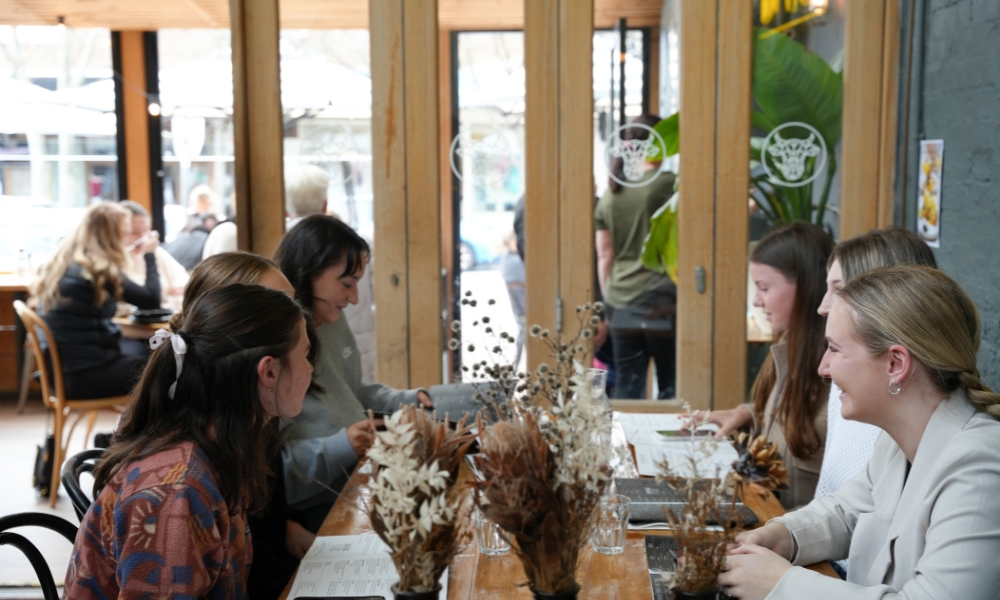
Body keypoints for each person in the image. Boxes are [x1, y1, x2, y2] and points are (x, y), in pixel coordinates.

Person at [720, 266, 1000, 600]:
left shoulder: (979, 468)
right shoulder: (899, 439)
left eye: (835, 349)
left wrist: (781, 585)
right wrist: (779, 536)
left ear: (896, 364)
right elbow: (847, 512)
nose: (823, 368)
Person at [64, 284, 313, 600]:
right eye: (304, 355)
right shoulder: (177, 493)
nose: (310, 367)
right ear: (269, 372)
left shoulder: (222, 445)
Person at [170, 252, 315, 600]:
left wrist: (286, 530)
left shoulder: (240, 429)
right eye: (274, 304)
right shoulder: (184, 485)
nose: (296, 319)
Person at [274, 214, 433, 531]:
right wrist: (341, 445)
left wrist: (405, 401)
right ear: (307, 274)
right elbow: (272, 474)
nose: (355, 298)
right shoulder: (278, 349)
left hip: (354, 486)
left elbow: (351, 392)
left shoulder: (330, 319)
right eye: (346, 284)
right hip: (314, 510)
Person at [697, 222, 833, 508]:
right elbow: (784, 424)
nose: (757, 301)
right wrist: (745, 414)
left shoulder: (834, 372)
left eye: (763, 287)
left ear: (806, 287)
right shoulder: (789, 350)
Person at [814, 227, 937, 501]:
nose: (823, 306)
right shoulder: (848, 389)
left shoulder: (925, 428)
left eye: (839, 290)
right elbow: (832, 502)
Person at [31, 201, 161, 399]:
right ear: (111, 236)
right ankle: (152, 429)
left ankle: (140, 428)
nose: (127, 240)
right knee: (171, 366)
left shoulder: (66, 262)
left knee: (156, 356)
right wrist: (150, 255)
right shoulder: (98, 268)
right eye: (125, 234)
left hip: (63, 375)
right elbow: (151, 299)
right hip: (86, 376)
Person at [595, 113, 677, 399]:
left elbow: (605, 256)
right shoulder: (666, 183)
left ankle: (624, 443)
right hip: (660, 299)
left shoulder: (611, 193)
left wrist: (610, 304)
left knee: (628, 386)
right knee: (670, 385)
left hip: (620, 300)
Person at [119, 200, 189, 303]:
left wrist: (180, 286)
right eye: (135, 232)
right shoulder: (115, 261)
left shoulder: (156, 252)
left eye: (146, 230)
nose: (142, 238)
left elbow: (183, 277)